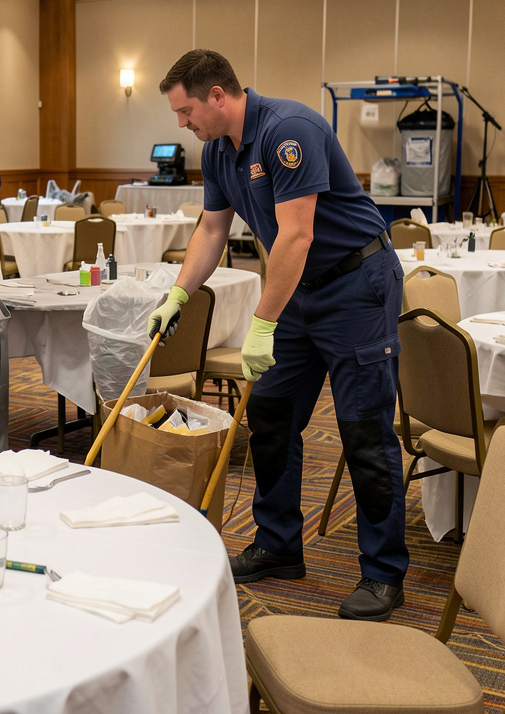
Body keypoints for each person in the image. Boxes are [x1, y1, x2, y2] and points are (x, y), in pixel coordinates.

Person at [148, 50, 408, 622]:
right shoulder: (218, 151)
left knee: (363, 430)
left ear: (218, 95)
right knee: (269, 417)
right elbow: (212, 229)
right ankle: (278, 545)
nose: (183, 124)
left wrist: (261, 323)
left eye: (187, 110)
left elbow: (295, 234)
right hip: (299, 289)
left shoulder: (288, 131)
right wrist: (179, 294)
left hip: (355, 283)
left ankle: (385, 574)